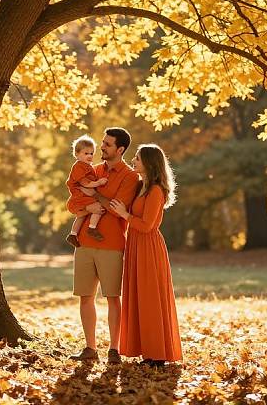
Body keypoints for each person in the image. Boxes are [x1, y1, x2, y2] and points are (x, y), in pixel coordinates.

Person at [67, 127, 139, 364]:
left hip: (112, 244)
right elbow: (72, 204)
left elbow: (118, 206)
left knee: (112, 297)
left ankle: (114, 350)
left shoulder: (130, 176)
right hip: (84, 243)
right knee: (85, 297)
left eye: (107, 144)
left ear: (120, 149)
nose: (101, 147)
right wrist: (87, 207)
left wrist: (94, 197)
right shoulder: (92, 169)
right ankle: (90, 348)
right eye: (102, 142)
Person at [110, 144, 183, 367]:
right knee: (139, 297)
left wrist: (124, 214)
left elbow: (147, 225)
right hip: (135, 245)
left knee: (150, 298)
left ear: (150, 163)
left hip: (148, 247)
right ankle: (146, 351)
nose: (134, 161)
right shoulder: (141, 185)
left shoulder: (156, 191)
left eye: (138, 159)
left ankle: (158, 354)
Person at [65, 135, 108, 248]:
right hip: (80, 196)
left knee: (81, 216)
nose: (89, 156)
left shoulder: (87, 166)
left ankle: (73, 234)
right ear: (77, 154)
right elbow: (85, 183)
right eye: (86, 153)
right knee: (98, 208)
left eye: (91, 153)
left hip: (83, 195)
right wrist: (98, 183)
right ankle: (92, 228)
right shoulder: (79, 167)